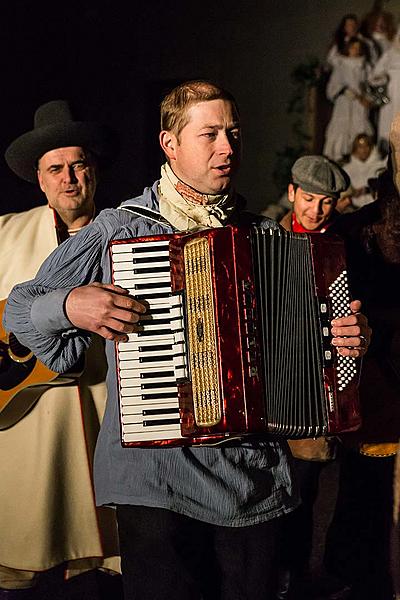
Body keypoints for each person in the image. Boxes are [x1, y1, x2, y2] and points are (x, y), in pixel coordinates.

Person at [2, 81, 370, 600]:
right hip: (157, 479)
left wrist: (345, 339)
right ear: (169, 144)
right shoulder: (119, 229)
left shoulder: (265, 237)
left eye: (233, 133)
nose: (227, 147)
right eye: (211, 134)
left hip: (251, 479)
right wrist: (68, 305)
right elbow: (21, 308)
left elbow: (317, 350)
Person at [0, 100, 120, 598]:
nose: (69, 178)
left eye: (78, 165)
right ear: (40, 178)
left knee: (103, 563)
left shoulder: (124, 231)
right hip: (28, 417)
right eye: (56, 168)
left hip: (103, 409)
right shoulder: (4, 234)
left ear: (93, 170)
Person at [278, 146, 400, 599]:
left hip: (330, 376)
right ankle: (283, 568)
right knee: (285, 482)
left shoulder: (348, 245)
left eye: (326, 201)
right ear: (292, 193)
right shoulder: (270, 237)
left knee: (318, 478)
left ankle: (310, 570)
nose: (315, 209)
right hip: (279, 379)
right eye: (308, 198)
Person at [323, 36, 373, 163]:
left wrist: (366, 98)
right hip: (345, 103)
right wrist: (350, 93)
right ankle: (338, 155)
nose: (355, 50)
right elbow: (334, 87)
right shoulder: (341, 65)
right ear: (348, 49)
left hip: (359, 105)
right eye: (353, 47)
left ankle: (358, 156)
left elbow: (369, 84)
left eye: (358, 48)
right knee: (342, 127)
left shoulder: (365, 66)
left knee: (359, 125)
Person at [342, 132, 387, 209]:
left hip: (376, 209)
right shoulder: (347, 169)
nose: (364, 150)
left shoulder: (380, 166)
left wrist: (367, 190)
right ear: (355, 149)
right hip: (354, 210)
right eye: (360, 147)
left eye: (366, 146)